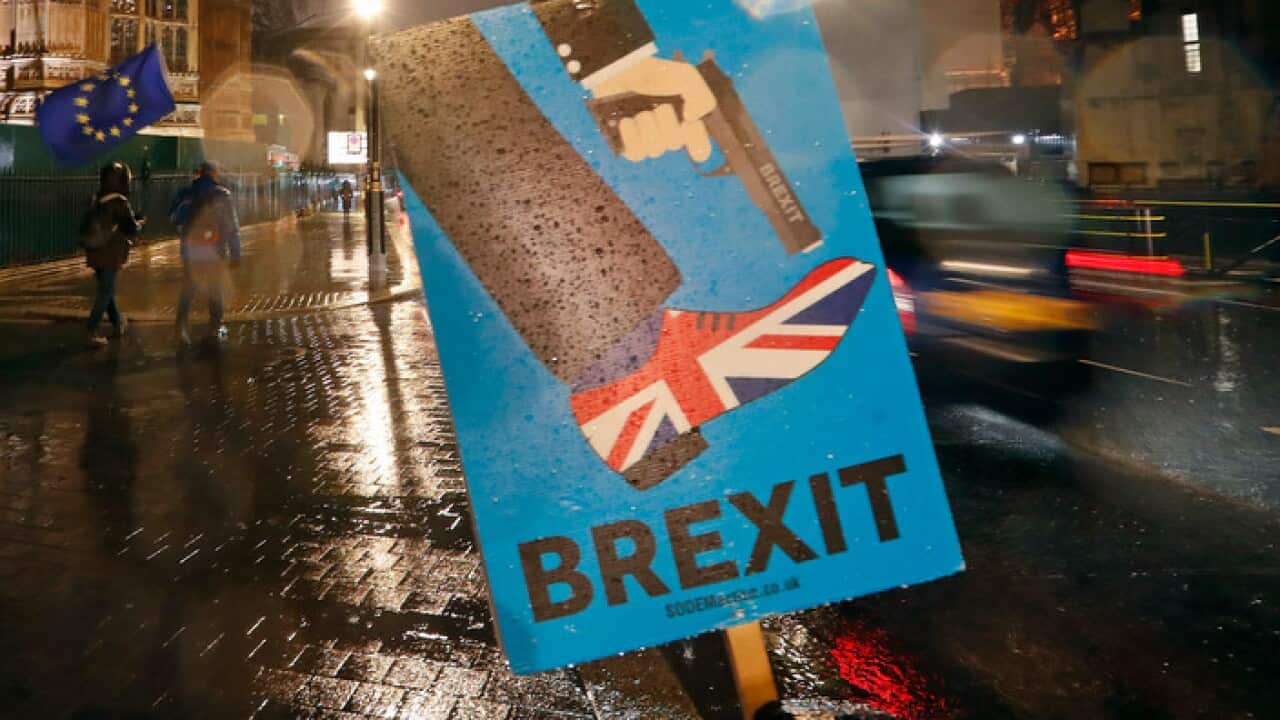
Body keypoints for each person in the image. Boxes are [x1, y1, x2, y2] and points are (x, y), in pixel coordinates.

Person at [175, 162, 242, 344]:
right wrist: (236, 253)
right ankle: (216, 327)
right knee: (215, 288)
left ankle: (180, 327)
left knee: (189, 289)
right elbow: (231, 227)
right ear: (214, 174)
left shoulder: (185, 193)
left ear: (200, 174)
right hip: (215, 250)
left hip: (191, 250)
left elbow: (175, 218)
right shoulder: (222, 195)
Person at [84, 162, 143, 348]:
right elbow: (131, 228)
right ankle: (91, 331)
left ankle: (118, 324)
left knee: (106, 291)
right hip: (110, 254)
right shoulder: (119, 202)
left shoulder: (97, 198)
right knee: (105, 292)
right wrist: (140, 222)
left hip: (94, 252)